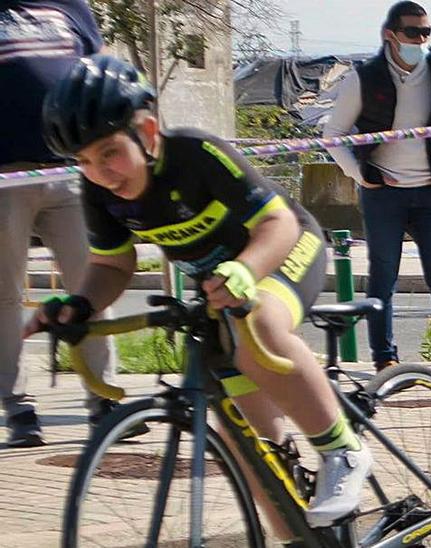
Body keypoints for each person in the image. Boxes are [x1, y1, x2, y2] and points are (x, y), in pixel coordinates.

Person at [31, 55, 372, 532]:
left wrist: (245, 269)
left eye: (109, 152)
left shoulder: (195, 153)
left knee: (259, 325)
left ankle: (343, 450)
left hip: (283, 246)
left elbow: (276, 223)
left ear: (148, 133)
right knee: (255, 454)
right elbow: (113, 263)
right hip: (221, 290)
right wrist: (81, 304)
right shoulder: (101, 193)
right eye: (83, 162)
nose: (100, 172)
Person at [323, 0, 431, 389]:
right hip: (385, 194)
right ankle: (386, 360)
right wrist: (360, 175)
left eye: (426, 32)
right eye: (413, 32)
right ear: (391, 35)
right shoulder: (364, 78)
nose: (421, 40)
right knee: (383, 278)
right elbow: (332, 136)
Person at [0, 0, 124, 447]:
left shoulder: (72, 7)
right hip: (5, 174)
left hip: (73, 170)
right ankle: (18, 410)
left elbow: (100, 73)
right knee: (5, 296)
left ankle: (105, 401)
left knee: (92, 282)